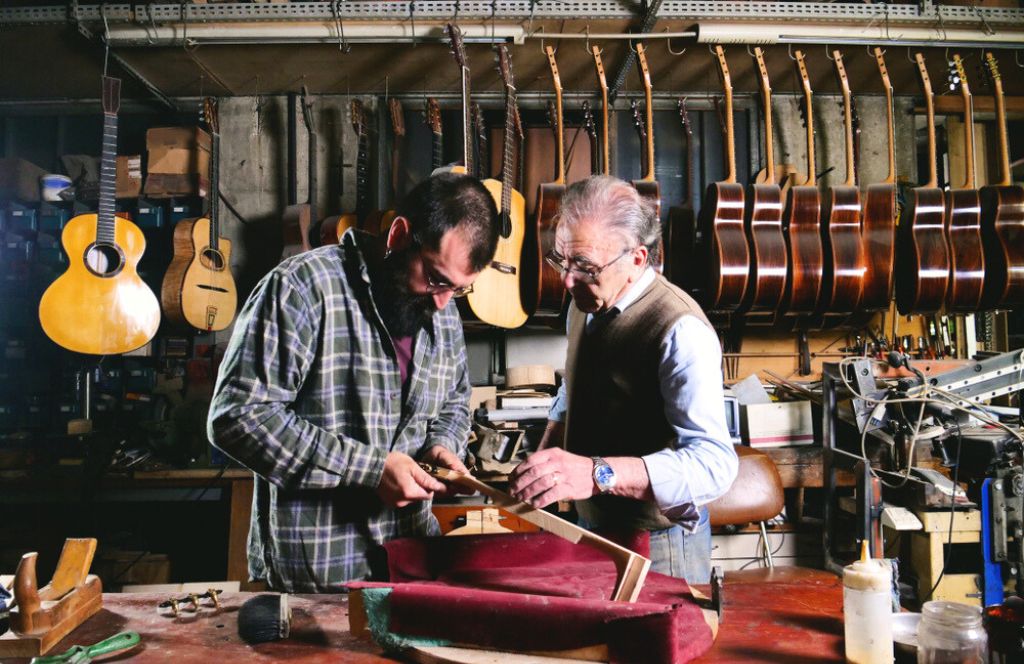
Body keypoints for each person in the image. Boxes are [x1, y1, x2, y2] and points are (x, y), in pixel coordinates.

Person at [208, 173, 499, 592]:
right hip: (319, 576)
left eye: (458, 289)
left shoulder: (442, 309)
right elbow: (237, 418)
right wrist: (371, 469)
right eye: (436, 278)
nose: (441, 301)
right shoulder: (302, 288)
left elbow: (454, 401)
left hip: (411, 564)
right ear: (400, 235)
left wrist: (442, 446)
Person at [508, 175, 738, 584]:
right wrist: (546, 453)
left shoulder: (680, 330)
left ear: (637, 258)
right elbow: (576, 382)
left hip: (659, 542)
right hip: (592, 525)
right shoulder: (586, 299)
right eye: (561, 259)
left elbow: (714, 465)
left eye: (585, 266)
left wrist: (598, 473)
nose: (566, 280)